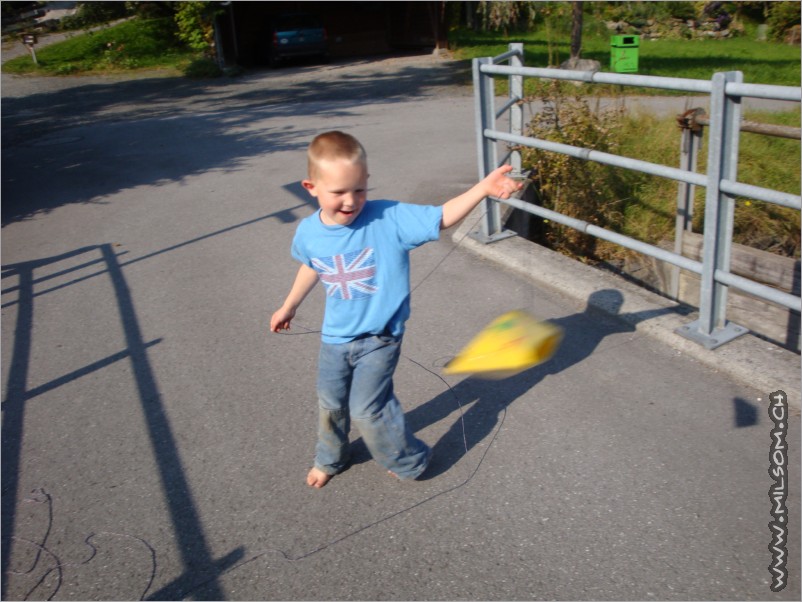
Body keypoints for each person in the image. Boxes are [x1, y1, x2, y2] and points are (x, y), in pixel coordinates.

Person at [270, 131, 522, 488]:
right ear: (311, 187)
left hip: (380, 338)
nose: (350, 201)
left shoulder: (387, 217)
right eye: (338, 192)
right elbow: (313, 264)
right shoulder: (309, 232)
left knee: (367, 408)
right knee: (331, 403)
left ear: (367, 182)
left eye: (359, 190)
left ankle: (408, 459)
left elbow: (442, 217)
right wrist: (289, 305)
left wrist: (482, 189)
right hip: (334, 338)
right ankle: (331, 457)